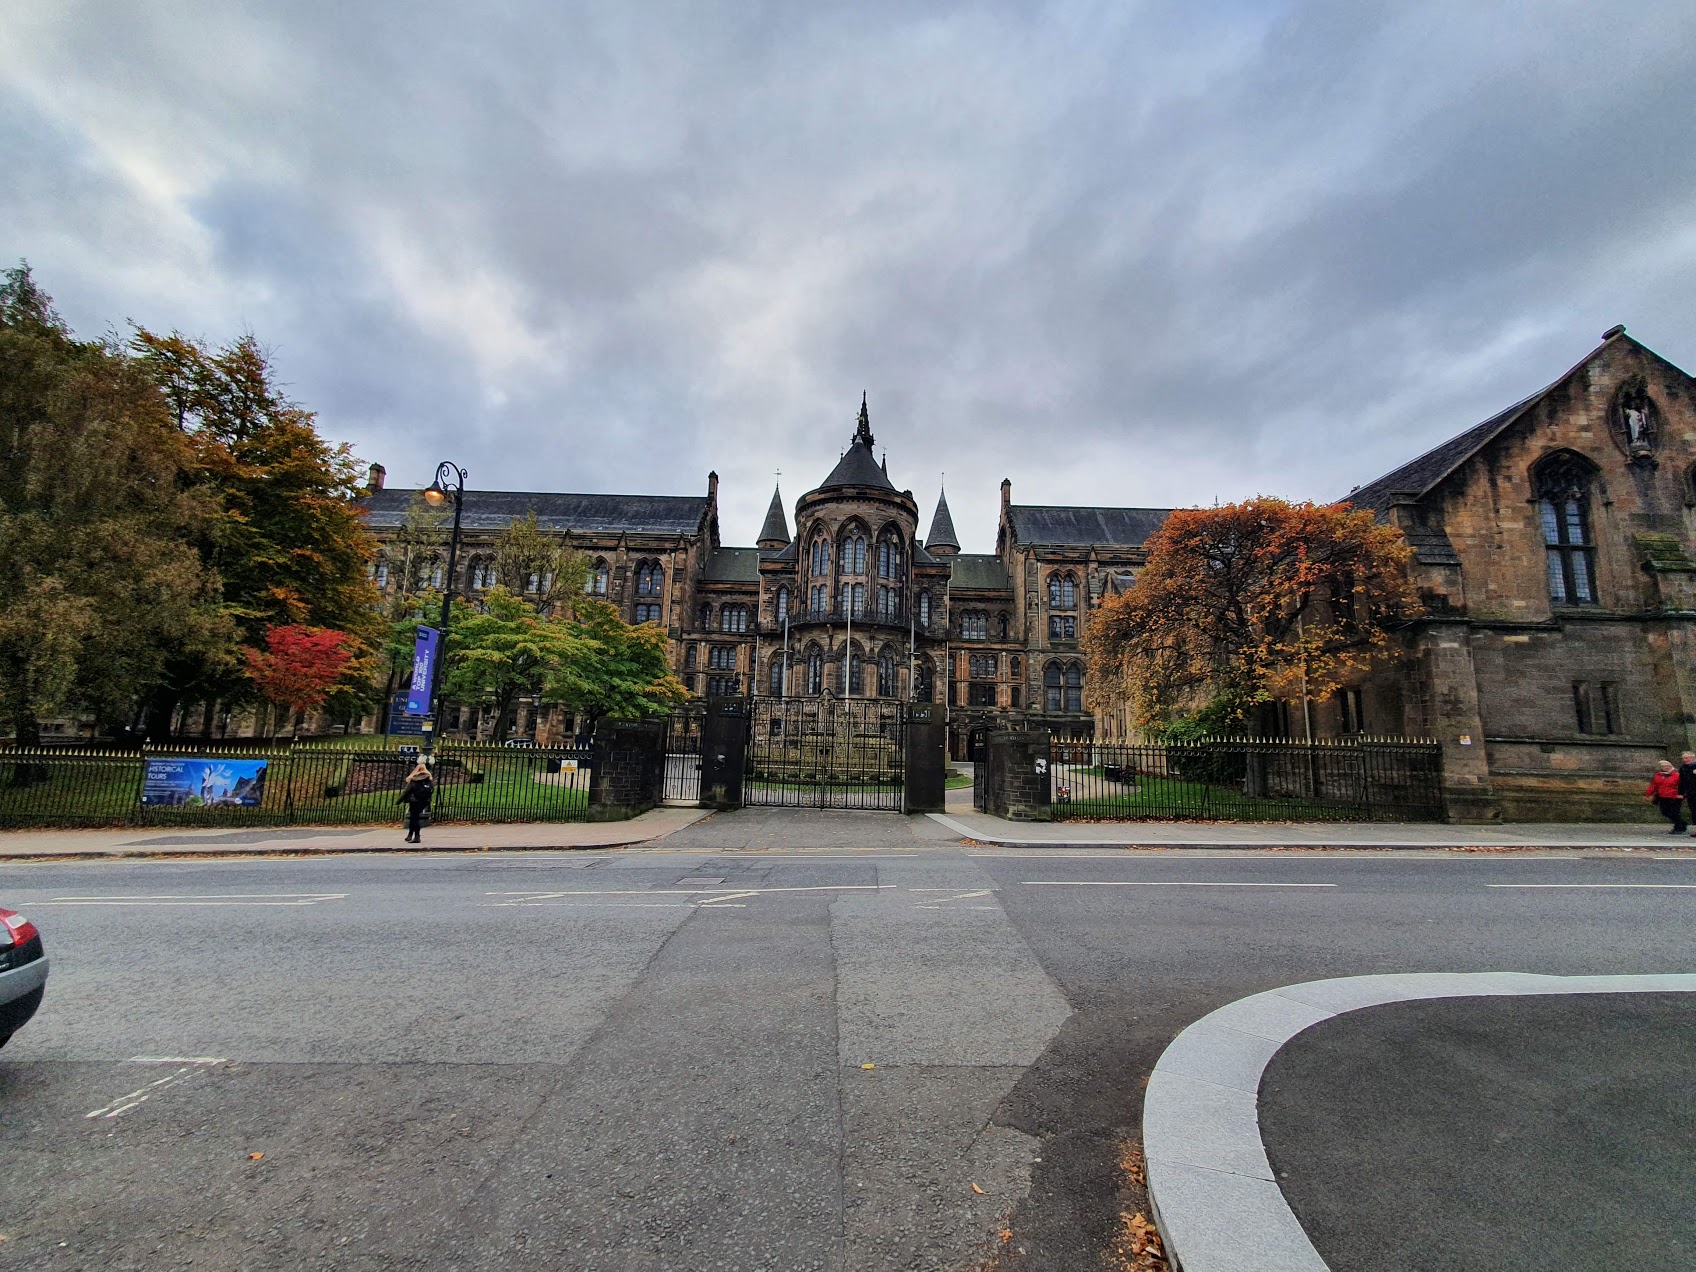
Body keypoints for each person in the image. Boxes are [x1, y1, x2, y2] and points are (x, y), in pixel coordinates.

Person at [397, 761, 434, 843]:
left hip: (415, 801)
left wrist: (398, 802)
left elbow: (405, 792)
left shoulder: (414, 780)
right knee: (414, 818)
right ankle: (410, 835)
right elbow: (431, 790)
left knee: (414, 818)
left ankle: (416, 836)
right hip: (425, 801)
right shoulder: (429, 780)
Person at [1645, 760, 1685, 834]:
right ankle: (1681, 823)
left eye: (1667, 766)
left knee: (1675, 812)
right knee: (1664, 811)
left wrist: (1682, 794)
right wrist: (1648, 794)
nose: (1666, 767)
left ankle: (1678, 827)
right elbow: (1654, 785)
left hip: (1674, 796)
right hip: (1662, 796)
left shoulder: (1677, 774)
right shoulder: (1658, 775)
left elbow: (1682, 785)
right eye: (1663, 766)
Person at [1679, 751, 1696, 835]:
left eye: (1686, 758)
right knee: (1694, 811)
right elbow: (1682, 782)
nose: (1684, 760)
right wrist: (1681, 793)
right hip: (1691, 793)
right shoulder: (1683, 768)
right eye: (1683, 758)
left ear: (1693, 758)